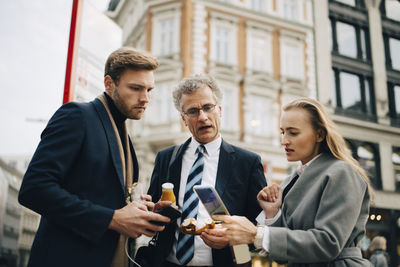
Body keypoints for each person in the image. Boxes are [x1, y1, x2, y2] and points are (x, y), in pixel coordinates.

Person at [18, 47, 171, 267]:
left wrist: (137, 206)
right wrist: (112, 218)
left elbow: (101, 193)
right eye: (136, 88)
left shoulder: (122, 132)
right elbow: (34, 190)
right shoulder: (77, 116)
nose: (145, 98)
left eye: (149, 89)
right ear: (109, 83)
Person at [210, 97, 374, 266]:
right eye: (283, 132)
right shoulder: (292, 179)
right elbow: (282, 255)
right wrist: (273, 213)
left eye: (293, 133)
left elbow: (328, 243)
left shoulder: (341, 172)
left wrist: (256, 234)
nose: (284, 141)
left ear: (319, 134)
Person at [146, 74, 267, 267]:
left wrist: (232, 239)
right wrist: (154, 211)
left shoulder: (247, 162)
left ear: (219, 110)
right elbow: (151, 215)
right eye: (193, 111)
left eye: (208, 107)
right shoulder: (166, 158)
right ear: (183, 119)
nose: (202, 117)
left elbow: (260, 226)